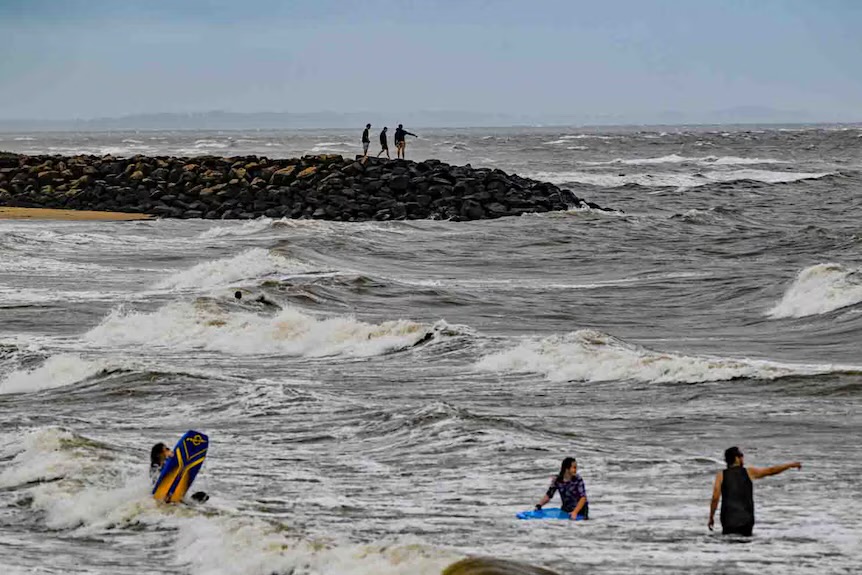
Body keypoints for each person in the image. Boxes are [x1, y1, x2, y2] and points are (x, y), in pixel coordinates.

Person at [708, 446, 801, 536]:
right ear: (736, 458)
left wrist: (711, 517)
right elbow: (771, 471)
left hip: (728, 519)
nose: (742, 459)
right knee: (746, 546)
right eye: (741, 456)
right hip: (746, 519)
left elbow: (715, 497)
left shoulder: (721, 475)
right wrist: (789, 465)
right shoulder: (749, 472)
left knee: (729, 546)